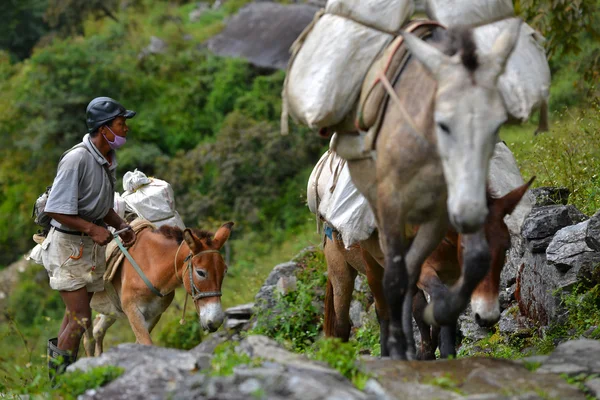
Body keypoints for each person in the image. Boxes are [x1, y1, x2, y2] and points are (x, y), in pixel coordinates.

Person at [42, 96, 137, 380]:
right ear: (104, 128)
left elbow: (100, 204)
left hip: (89, 248)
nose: (125, 129)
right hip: (68, 247)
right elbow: (55, 208)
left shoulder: (108, 159)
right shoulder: (77, 159)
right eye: (121, 124)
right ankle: (60, 385)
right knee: (81, 319)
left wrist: (120, 223)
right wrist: (91, 229)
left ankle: (58, 381)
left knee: (73, 318)